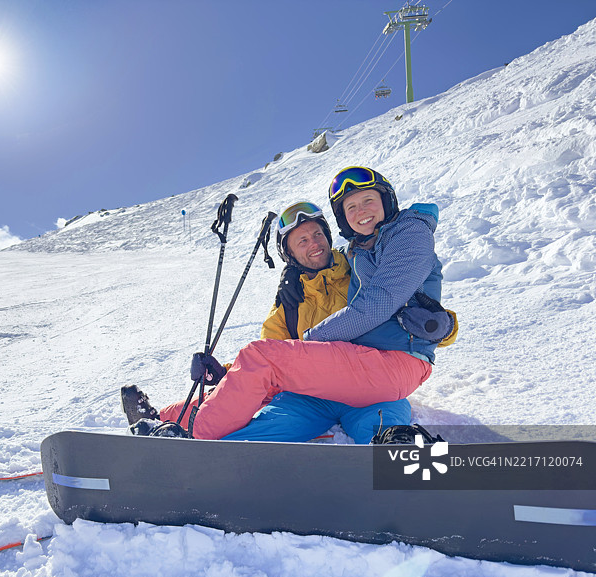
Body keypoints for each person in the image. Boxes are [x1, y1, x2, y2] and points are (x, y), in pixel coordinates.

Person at [123, 169, 454, 442]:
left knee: (383, 421)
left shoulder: (357, 262)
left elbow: (400, 301)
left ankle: (411, 461)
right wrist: (222, 371)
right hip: (313, 397)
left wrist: (443, 326)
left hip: (371, 377)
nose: (314, 245)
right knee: (250, 433)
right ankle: (174, 430)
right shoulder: (288, 304)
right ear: (290, 255)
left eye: (318, 235)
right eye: (302, 241)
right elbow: (270, 365)